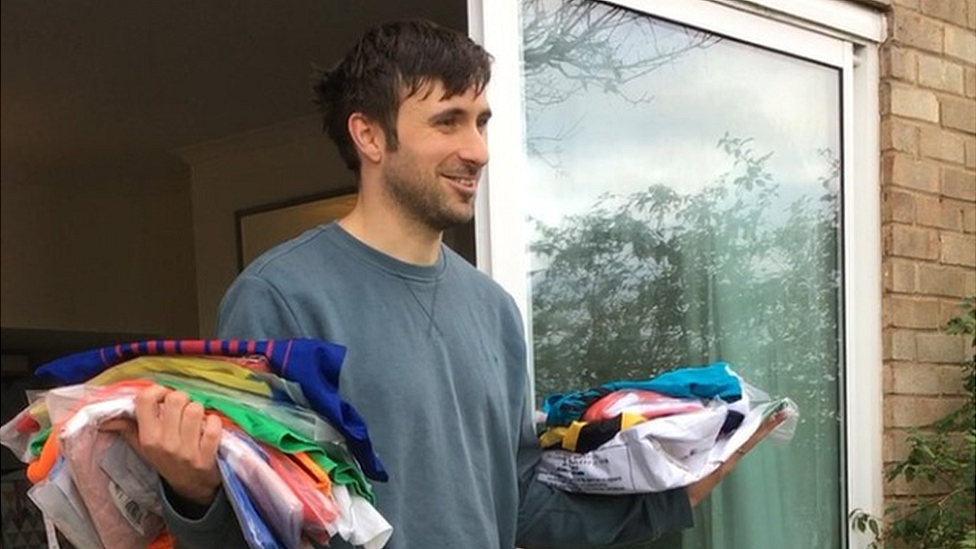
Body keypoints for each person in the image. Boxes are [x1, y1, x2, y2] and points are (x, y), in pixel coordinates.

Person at [104, 18, 786, 549]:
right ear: (369, 136)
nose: (479, 150)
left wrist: (680, 488)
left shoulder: (492, 311)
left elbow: (521, 504)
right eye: (448, 121)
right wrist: (192, 492)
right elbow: (259, 521)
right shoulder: (282, 297)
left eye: (481, 120)